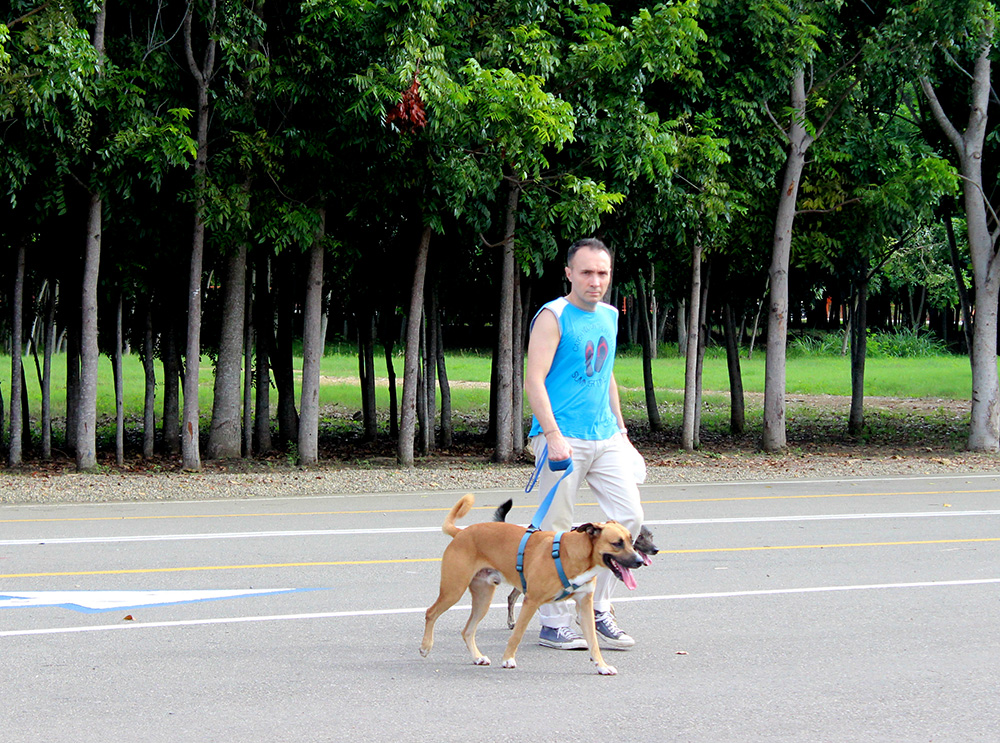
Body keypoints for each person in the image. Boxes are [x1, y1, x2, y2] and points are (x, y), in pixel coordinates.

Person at [524, 236, 644, 651]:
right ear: (569, 273)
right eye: (587, 272)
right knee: (556, 531)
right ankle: (554, 622)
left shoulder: (610, 315)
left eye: (603, 273)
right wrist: (552, 436)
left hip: (604, 435)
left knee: (628, 518)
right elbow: (533, 379)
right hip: (563, 438)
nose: (596, 281)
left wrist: (623, 433)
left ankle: (596, 608)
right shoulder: (553, 316)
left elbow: (606, 375)